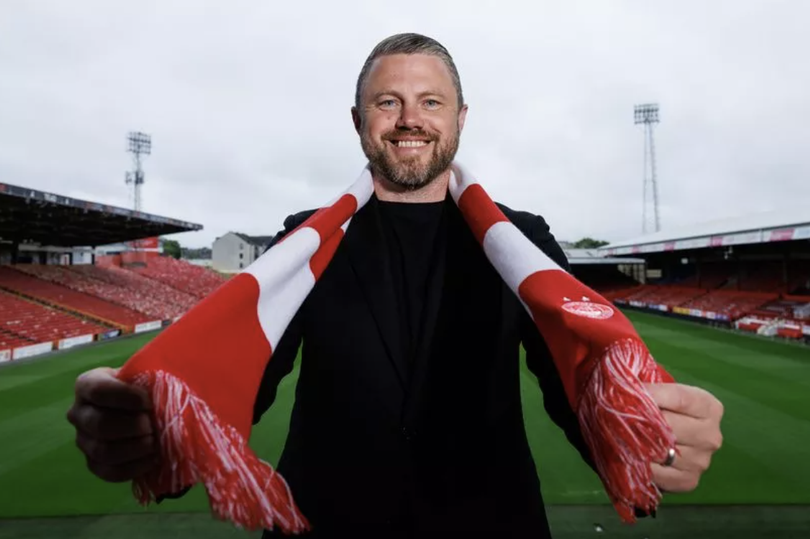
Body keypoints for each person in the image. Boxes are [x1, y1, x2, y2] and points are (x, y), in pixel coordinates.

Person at [67, 33, 724, 538]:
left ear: (460, 118)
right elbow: (246, 377)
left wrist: (650, 438)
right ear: (359, 121)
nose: (410, 119)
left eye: (430, 102)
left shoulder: (521, 241)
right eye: (389, 102)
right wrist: (150, 429)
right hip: (325, 521)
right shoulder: (305, 239)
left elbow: (570, 385)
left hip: (490, 521)